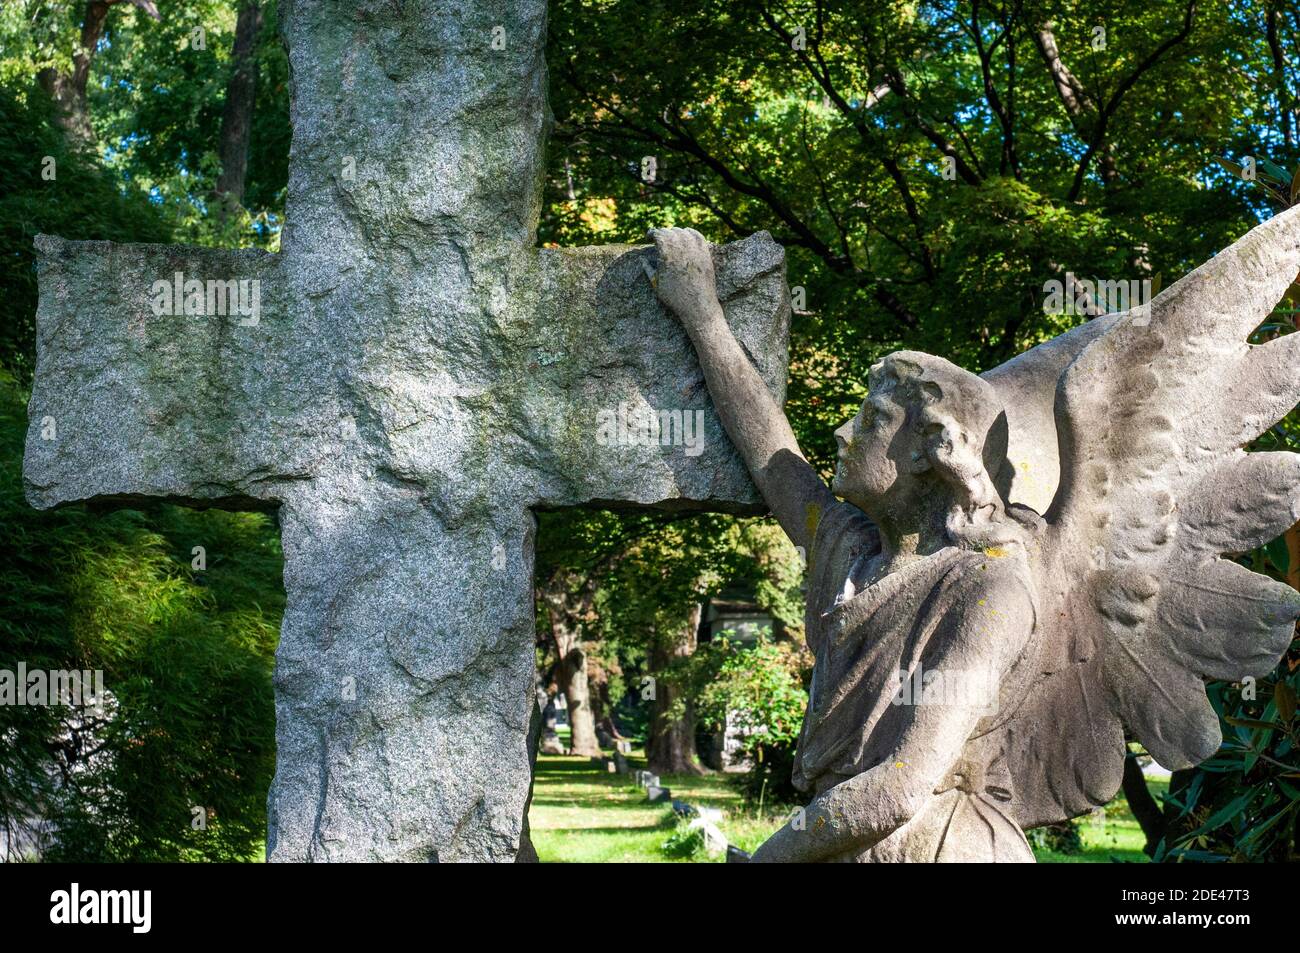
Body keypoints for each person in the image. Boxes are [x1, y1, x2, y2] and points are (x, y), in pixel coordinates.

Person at [647, 227, 1043, 861]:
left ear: (929, 448)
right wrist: (700, 313)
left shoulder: (991, 586)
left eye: (871, 419)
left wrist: (773, 857)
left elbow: (900, 786)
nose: (840, 431)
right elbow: (770, 452)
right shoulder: (851, 553)